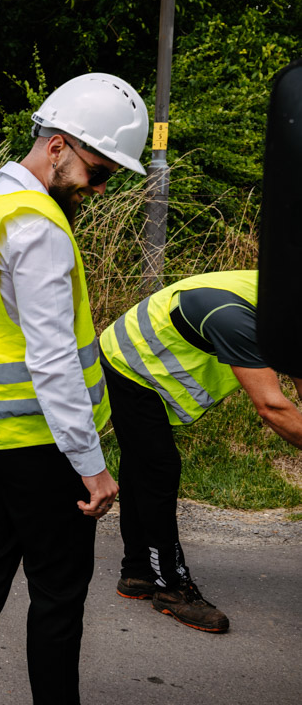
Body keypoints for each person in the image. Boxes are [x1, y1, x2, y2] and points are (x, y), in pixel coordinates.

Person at [0, 73, 148, 705]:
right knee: (58, 593)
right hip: (42, 445)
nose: (100, 188)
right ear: (57, 146)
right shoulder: (39, 228)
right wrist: (92, 466)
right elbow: (53, 359)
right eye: (98, 171)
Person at [101, 269, 302, 633]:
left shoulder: (284, 299)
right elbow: (272, 407)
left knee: (142, 464)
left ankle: (138, 573)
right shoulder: (234, 316)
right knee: (158, 470)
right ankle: (171, 589)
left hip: (151, 356)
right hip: (129, 361)